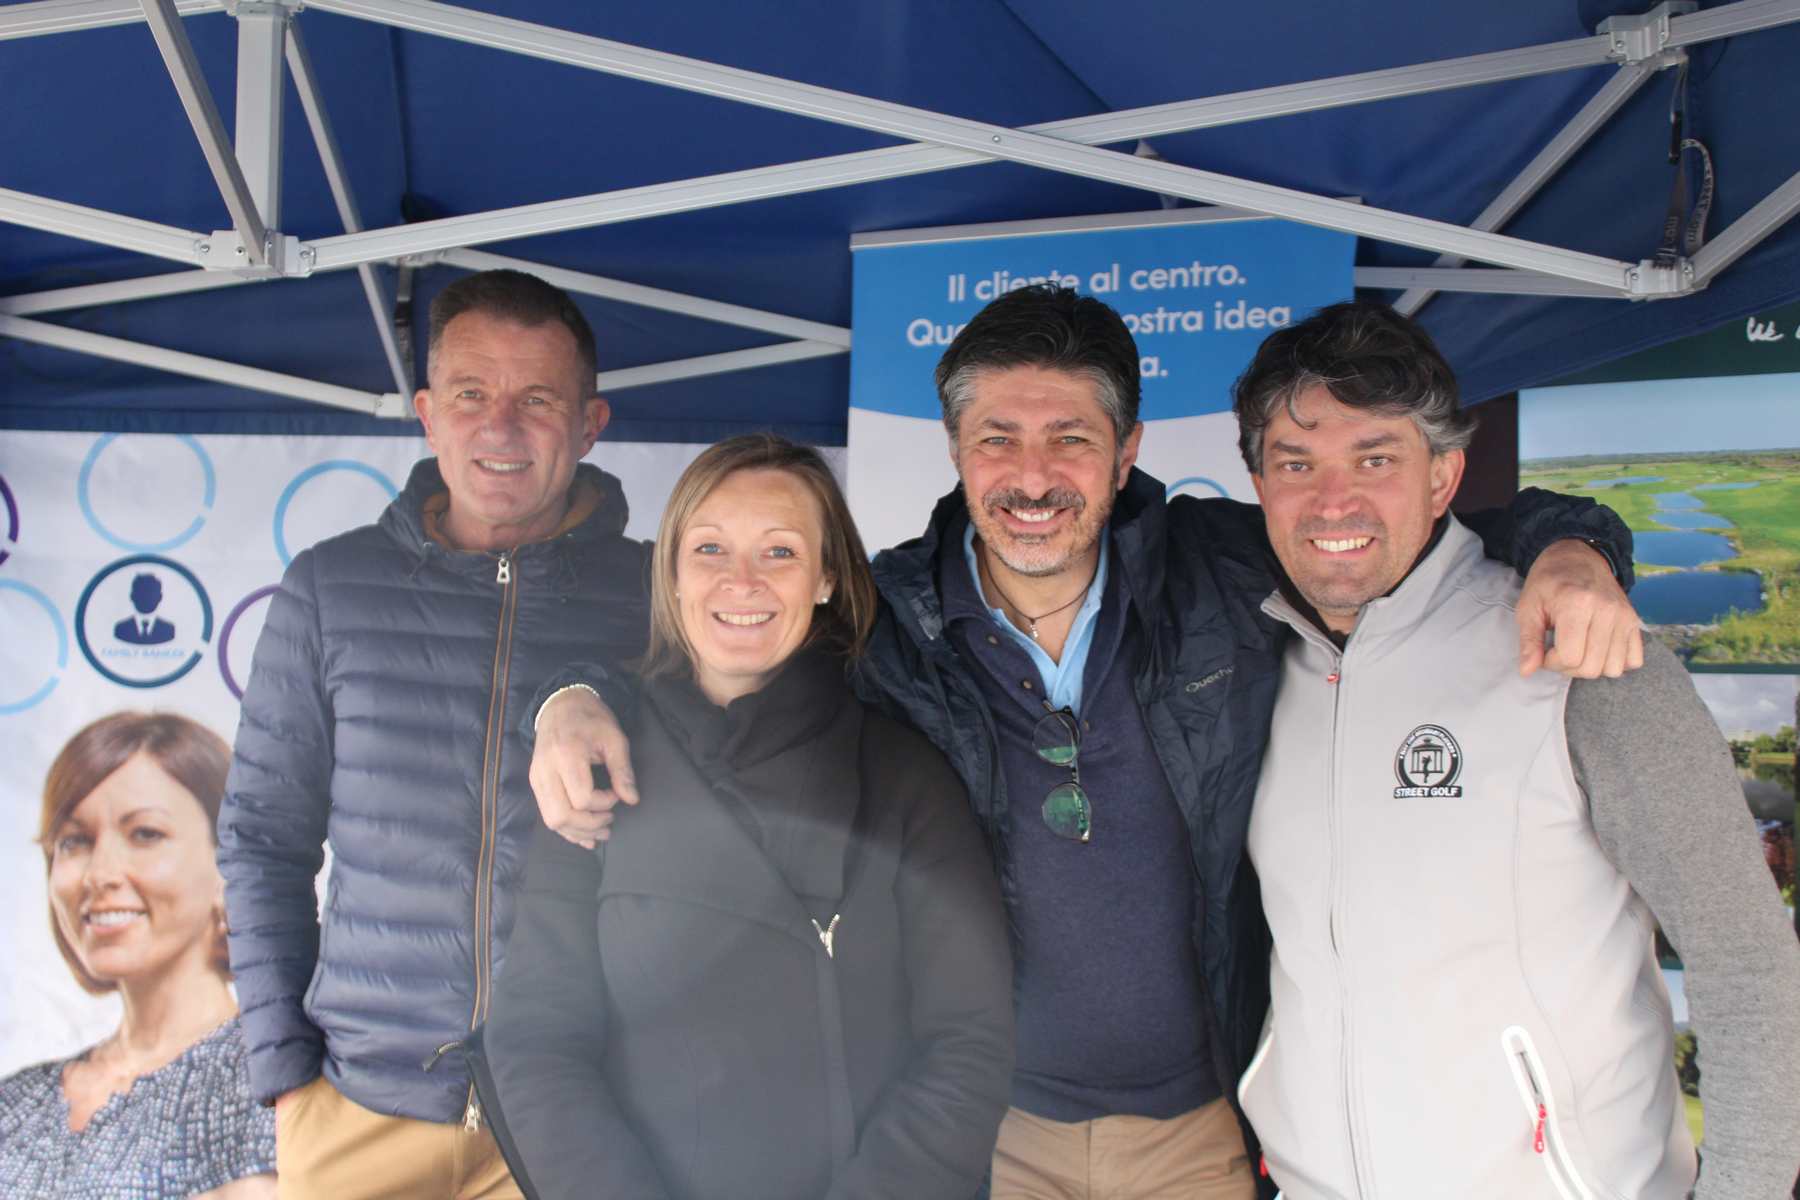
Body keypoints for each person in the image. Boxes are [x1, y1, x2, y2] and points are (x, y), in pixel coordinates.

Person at [527, 285, 1645, 1199]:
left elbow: (1422, 535)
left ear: (1125, 453)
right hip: (995, 1130)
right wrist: (571, 695)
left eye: (1070, 439)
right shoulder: (890, 621)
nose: (1031, 477)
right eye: (997, 439)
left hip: (1205, 1126)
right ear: (956, 449)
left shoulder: (1225, 568)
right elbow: (725, 654)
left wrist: (1577, 549)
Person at [1232, 300, 1800, 1199]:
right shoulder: (1253, 662)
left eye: (1376, 459)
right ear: (1260, 482)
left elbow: (1746, 958)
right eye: (1296, 464)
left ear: (1444, 476)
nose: (1333, 501)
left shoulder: (1581, 654)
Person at [483, 435, 1013, 1199]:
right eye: (709, 548)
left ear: (827, 578)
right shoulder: (596, 768)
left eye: (779, 552)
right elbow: (538, 1038)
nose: (742, 581)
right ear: (671, 573)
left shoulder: (906, 779)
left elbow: (969, 1043)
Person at [217, 269, 651, 1200]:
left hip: (576, 1116)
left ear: (589, 425)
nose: (500, 428)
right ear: (427, 414)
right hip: (360, 1114)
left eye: (537, 400)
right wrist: (285, 1072)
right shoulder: (330, 589)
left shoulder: (659, 596)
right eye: (470, 395)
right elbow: (261, 838)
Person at [0, 711, 276, 1200]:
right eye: (73, 841)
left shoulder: (275, 1082)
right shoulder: (15, 1104)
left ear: (229, 863)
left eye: (145, 833)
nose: (99, 874)